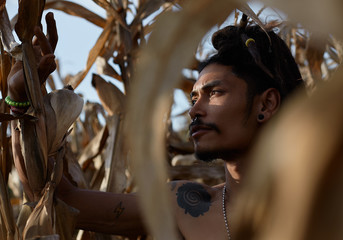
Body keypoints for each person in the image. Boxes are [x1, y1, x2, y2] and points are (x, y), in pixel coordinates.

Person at [7, 12, 303, 239]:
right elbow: (55, 199)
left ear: (266, 104)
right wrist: (23, 100)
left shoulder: (334, 200)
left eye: (215, 93)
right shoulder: (185, 205)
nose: (194, 110)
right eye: (193, 97)